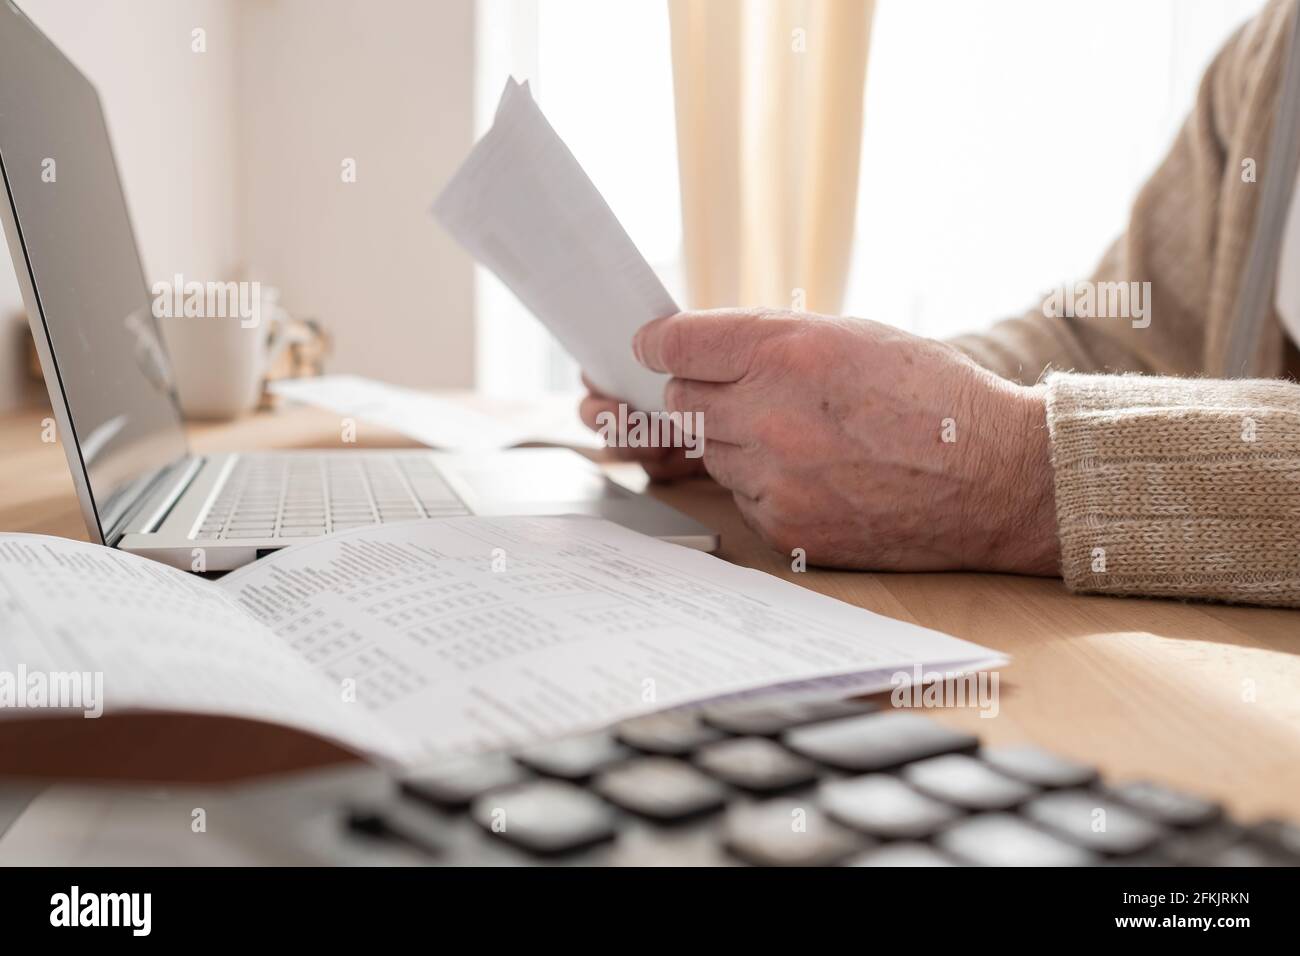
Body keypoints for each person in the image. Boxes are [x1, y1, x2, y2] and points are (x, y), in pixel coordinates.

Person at [580, 0, 1300, 608]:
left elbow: (1020, 440)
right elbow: (1111, 332)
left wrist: (1019, 475)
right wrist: (811, 414)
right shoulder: (1272, 53)